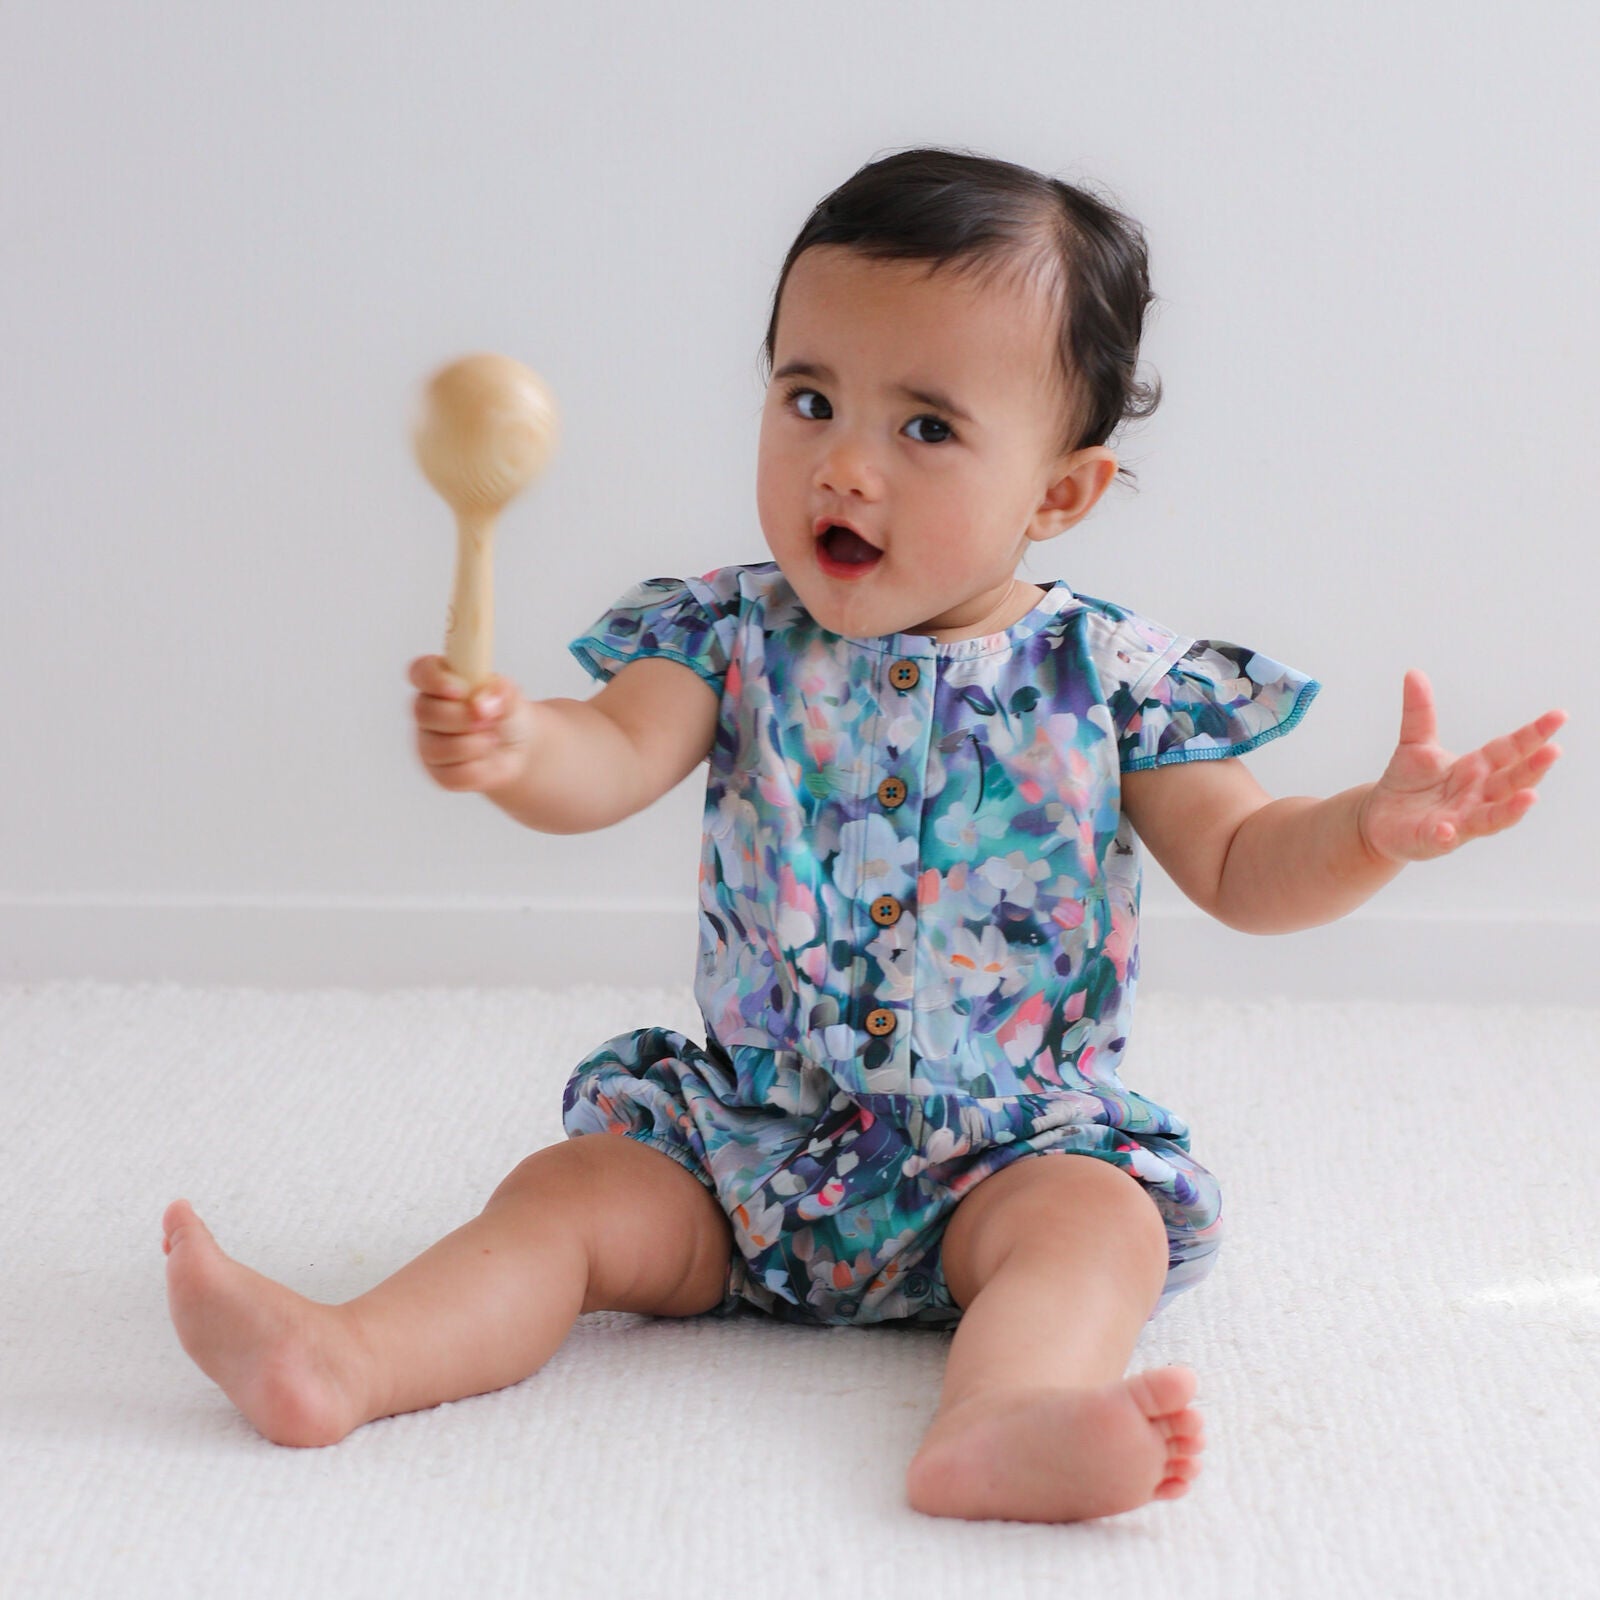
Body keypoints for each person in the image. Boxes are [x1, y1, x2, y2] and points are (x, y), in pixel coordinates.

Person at [161, 147, 1566, 1524]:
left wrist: (1371, 832)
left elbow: (1246, 869)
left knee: (1100, 1233)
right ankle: (348, 1357)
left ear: (1060, 492)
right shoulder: (727, 633)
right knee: (570, 1194)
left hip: (1006, 1161)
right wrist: (520, 742)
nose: (844, 465)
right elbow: (607, 755)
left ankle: (1002, 1420)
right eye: (809, 397)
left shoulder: (1111, 679)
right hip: (744, 1151)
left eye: (927, 427)